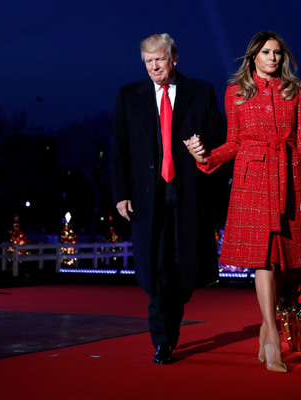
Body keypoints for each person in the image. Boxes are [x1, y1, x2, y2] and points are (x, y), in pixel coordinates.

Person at [185, 31, 301, 373]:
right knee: (263, 258)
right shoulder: (237, 92)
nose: (273, 58)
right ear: (253, 57)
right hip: (252, 179)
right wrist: (206, 157)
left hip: (288, 179)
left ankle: (264, 326)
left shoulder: (297, 91)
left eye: (277, 53)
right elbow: (233, 143)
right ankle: (272, 332)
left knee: (280, 260)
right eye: (266, 52)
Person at [110, 33, 226, 365]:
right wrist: (120, 195)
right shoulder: (128, 96)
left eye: (159, 59)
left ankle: (171, 323)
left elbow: (219, 134)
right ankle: (163, 340)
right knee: (158, 269)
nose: (153, 66)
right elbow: (118, 149)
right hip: (148, 198)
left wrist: (203, 146)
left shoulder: (200, 91)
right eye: (148, 61)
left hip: (188, 193)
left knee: (183, 271)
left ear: (174, 58)